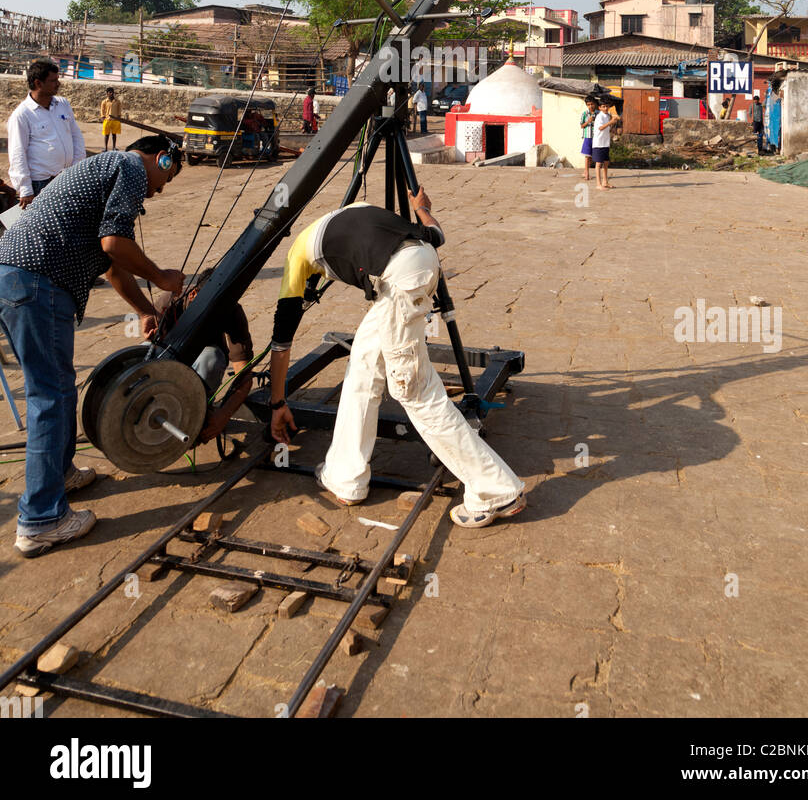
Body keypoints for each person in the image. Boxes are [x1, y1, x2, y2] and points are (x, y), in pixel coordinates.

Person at [267, 192, 525, 529]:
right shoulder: (355, 214)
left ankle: (497, 491)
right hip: (420, 264)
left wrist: (277, 403)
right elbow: (436, 235)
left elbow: (280, 347)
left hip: (399, 284)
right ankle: (346, 477)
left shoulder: (297, 259)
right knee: (362, 366)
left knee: (415, 392)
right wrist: (422, 208)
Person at [0, 134, 185, 557]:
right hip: (38, 281)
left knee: (58, 389)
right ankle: (41, 521)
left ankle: (59, 476)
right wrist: (160, 278)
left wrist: (144, 310)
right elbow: (115, 244)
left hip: (18, 276)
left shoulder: (102, 174)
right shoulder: (131, 168)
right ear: (163, 157)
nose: (160, 190)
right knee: (50, 396)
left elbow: (114, 268)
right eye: (167, 177)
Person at [152, 267, 255, 441]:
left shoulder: (232, 311)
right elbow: (149, 349)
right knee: (146, 349)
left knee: (211, 358)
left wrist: (223, 415)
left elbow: (243, 375)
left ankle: (196, 415)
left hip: (201, 369)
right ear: (193, 296)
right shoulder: (169, 303)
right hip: (169, 367)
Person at [7, 59, 87, 208]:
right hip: (40, 183)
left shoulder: (62, 104)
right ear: (38, 83)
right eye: (53, 80)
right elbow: (18, 153)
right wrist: (25, 189)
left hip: (66, 178)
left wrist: (76, 169)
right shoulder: (22, 115)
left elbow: (76, 137)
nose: (58, 84)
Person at [592, 98, 613, 190]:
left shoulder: (607, 115)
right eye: (603, 107)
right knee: (598, 164)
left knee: (606, 163)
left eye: (607, 106)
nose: (605, 108)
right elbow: (601, 128)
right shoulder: (599, 116)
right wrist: (611, 122)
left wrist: (612, 120)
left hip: (605, 142)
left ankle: (605, 182)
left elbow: (608, 127)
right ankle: (598, 184)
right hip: (599, 143)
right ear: (600, 108)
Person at [580, 96, 598, 182]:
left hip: (596, 137)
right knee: (587, 156)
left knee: (591, 156)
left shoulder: (598, 113)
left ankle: (585, 171)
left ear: (595, 104)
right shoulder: (584, 114)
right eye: (588, 104)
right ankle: (587, 174)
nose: (590, 106)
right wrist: (588, 121)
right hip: (588, 137)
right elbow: (581, 126)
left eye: (592, 104)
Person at [100, 86, 123, 151]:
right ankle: (105, 148)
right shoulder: (104, 102)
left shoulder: (117, 101)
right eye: (109, 92)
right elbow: (102, 110)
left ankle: (114, 147)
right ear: (107, 93)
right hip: (107, 120)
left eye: (112, 92)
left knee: (114, 134)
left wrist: (119, 117)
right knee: (106, 135)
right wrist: (102, 117)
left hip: (115, 120)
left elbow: (119, 110)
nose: (111, 93)